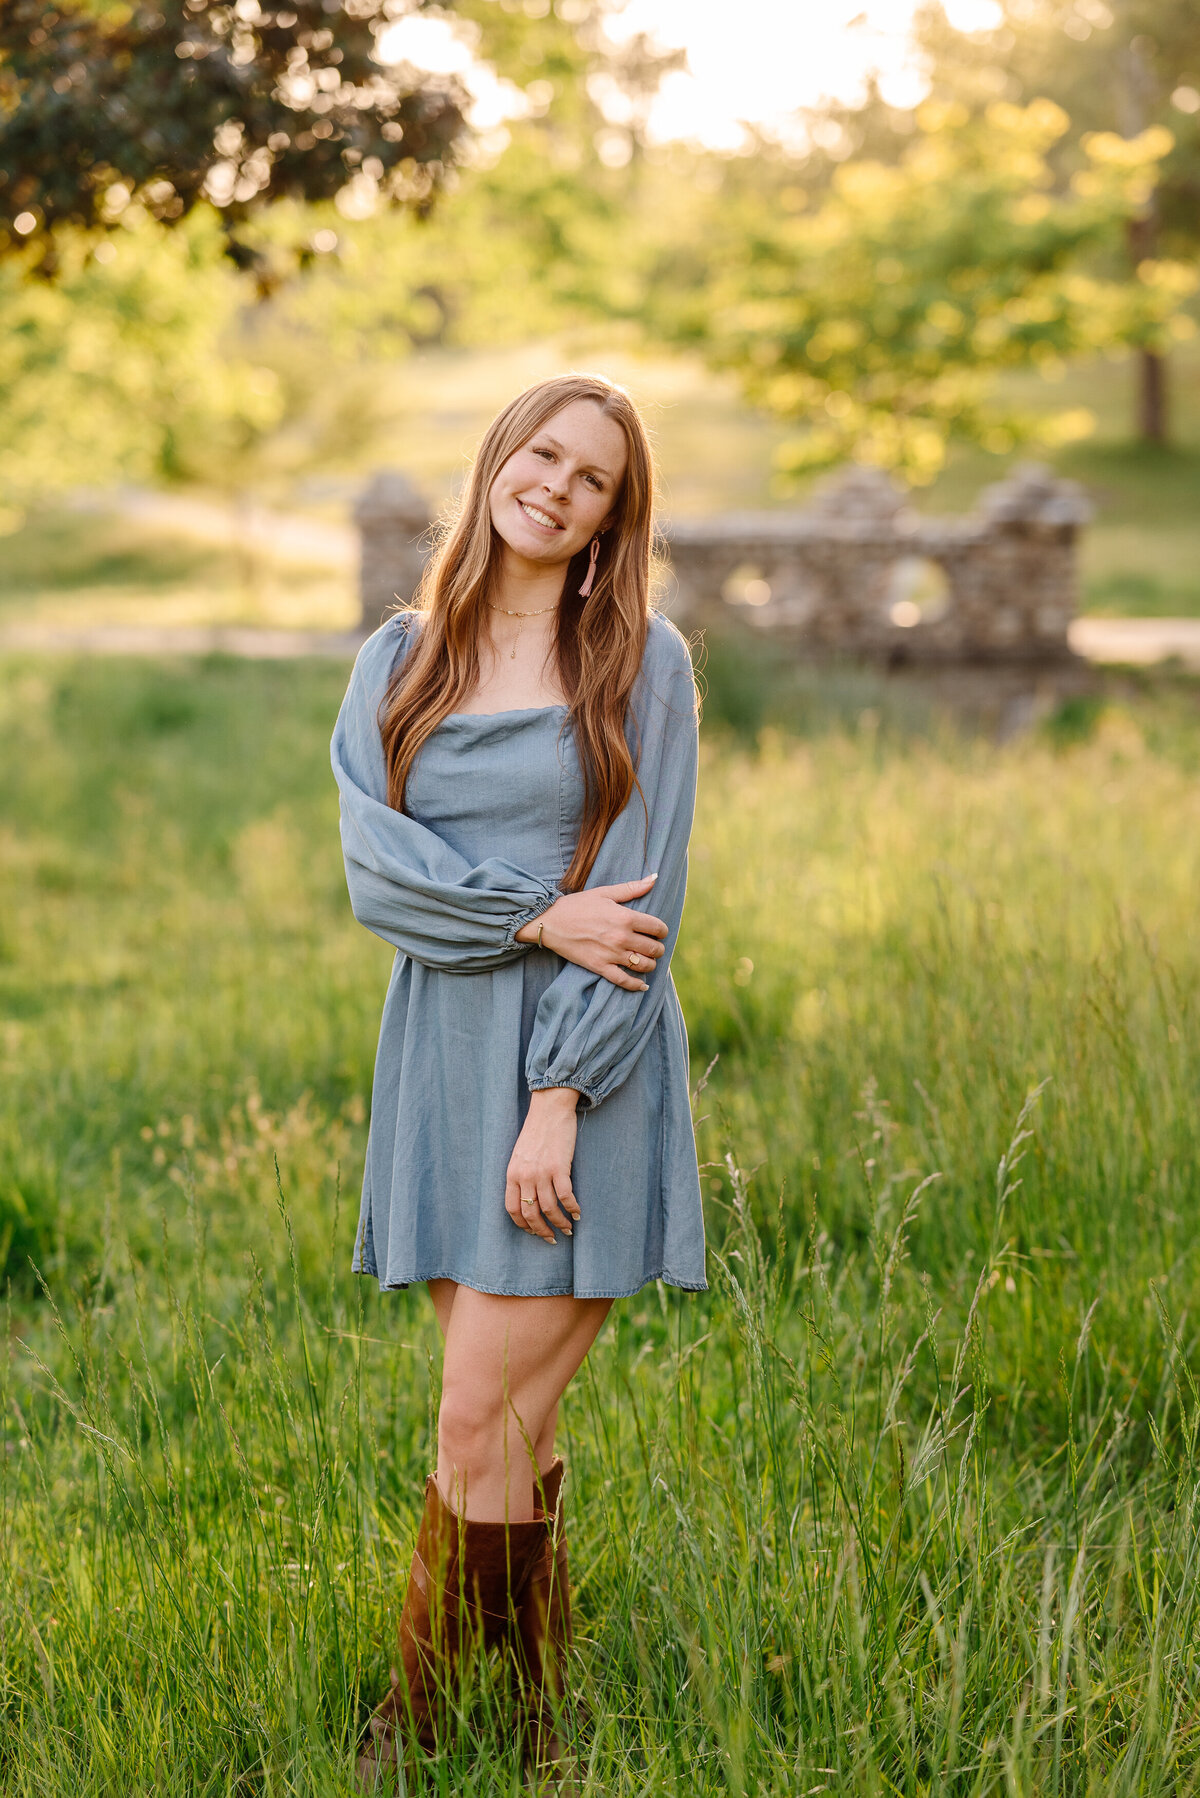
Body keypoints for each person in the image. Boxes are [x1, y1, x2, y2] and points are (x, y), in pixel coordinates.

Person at [330, 372, 706, 1790]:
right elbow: (382, 871)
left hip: (577, 1070)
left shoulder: (640, 663)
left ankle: (421, 1728)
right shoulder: (402, 658)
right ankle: (534, 1729)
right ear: (498, 459)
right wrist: (534, 914)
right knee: (509, 1422)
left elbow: (645, 898)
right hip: (441, 1057)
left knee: (474, 1415)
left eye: (592, 474)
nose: (556, 482)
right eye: (542, 451)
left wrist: (560, 1094)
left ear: (615, 514)